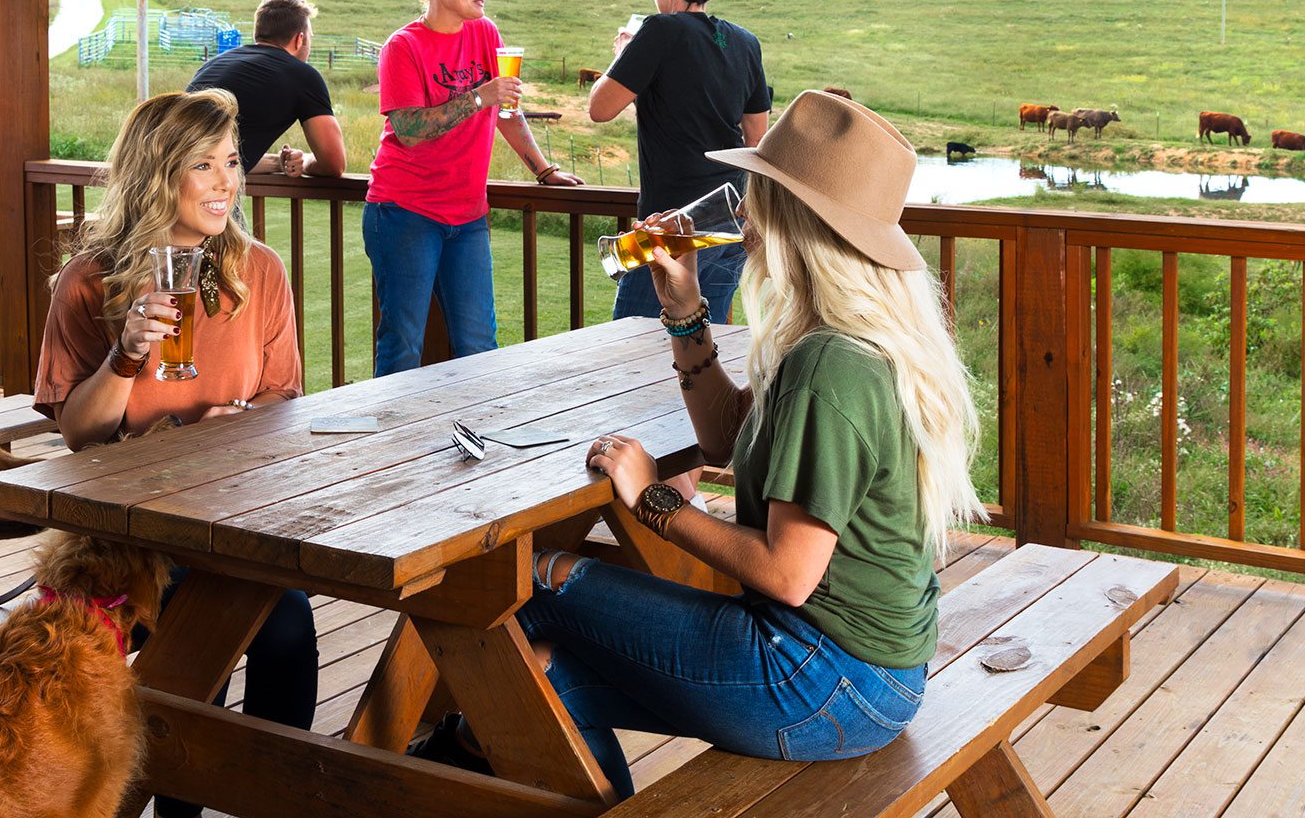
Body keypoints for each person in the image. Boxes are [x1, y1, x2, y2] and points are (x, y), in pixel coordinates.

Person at [417, 91, 981, 800]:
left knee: (526, 580)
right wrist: (682, 307)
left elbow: (787, 574)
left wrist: (652, 498)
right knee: (543, 675)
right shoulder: (846, 341)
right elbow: (724, 438)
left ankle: (438, 750)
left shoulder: (830, 365)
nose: (741, 211)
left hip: (818, 675)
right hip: (874, 674)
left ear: (792, 219)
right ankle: (469, 740)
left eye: (756, 194)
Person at [31, 89, 318, 818]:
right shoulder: (89, 283)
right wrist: (127, 356)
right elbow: (79, 435)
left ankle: (275, 794)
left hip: (235, 512)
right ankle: (181, 805)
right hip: (128, 530)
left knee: (285, 624)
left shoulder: (259, 271)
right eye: (203, 165)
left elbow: (286, 400)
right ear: (159, 174)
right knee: (215, 620)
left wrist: (240, 423)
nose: (227, 182)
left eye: (231, 163)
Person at [365, 0, 584, 376]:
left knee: (479, 342)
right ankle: (393, 442)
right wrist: (479, 95)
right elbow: (408, 130)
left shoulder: (486, 34)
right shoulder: (403, 46)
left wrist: (544, 170)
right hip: (404, 210)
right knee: (403, 341)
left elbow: (506, 111)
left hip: (466, 215)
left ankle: (480, 438)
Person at [589, 0, 771, 324]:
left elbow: (599, 108)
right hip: (731, 218)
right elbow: (756, 136)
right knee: (705, 340)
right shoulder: (745, 42)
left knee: (634, 341)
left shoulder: (660, 30)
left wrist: (623, 56)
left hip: (671, 225)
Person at [187, 0, 347, 178]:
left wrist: (279, 163)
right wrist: (306, 162)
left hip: (161, 184)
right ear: (299, 39)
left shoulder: (214, 64)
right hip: (206, 192)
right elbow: (333, 164)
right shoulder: (302, 76)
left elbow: (200, 156)